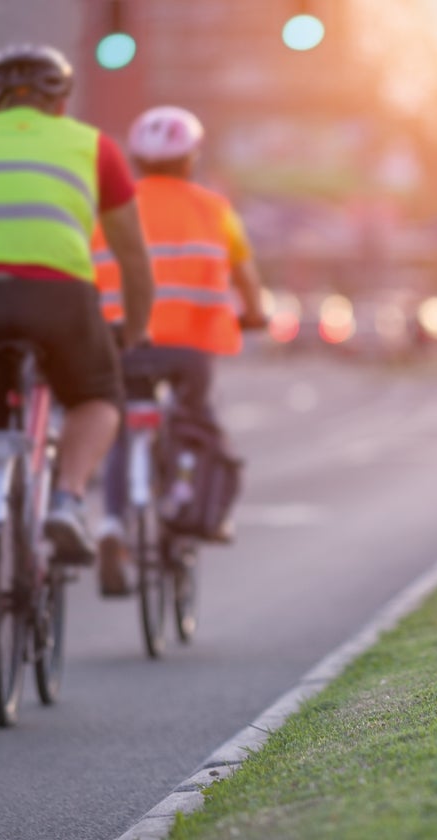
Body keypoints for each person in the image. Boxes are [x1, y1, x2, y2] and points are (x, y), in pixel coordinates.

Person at [0, 44, 154, 665]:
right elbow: (132, 257)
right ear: (60, 100)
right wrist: (133, 331)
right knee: (99, 398)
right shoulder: (92, 145)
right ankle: (69, 499)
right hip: (59, 297)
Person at [90, 105, 267, 597]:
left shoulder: (110, 209)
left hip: (124, 341)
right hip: (190, 348)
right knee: (194, 424)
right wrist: (256, 314)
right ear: (192, 158)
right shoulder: (215, 209)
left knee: (124, 429)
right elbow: (247, 279)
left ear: (136, 160)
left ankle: (111, 528)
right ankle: (187, 496)